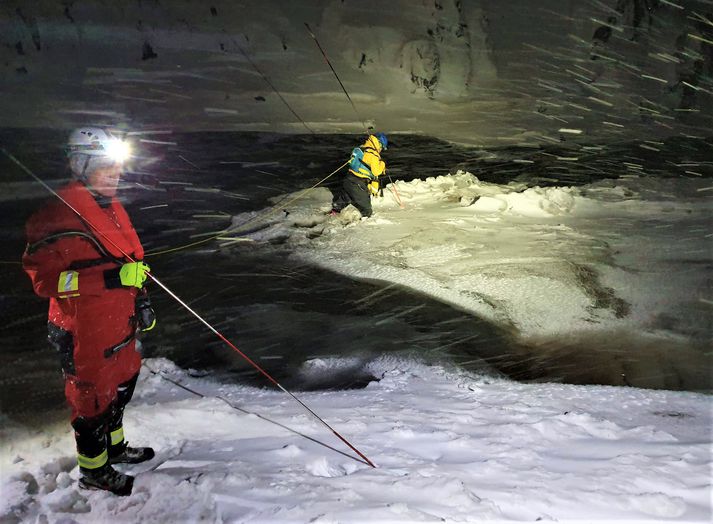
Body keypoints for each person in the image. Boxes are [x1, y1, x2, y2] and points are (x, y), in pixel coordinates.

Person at [22, 127, 156, 496]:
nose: (114, 173)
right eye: (103, 166)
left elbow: (130, 261)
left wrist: (140, 299)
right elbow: (44, 281)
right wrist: (111, 281)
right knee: (91, 400)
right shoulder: (55, 217)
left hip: (119, 323)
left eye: (117, 165)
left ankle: (115, 448)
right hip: (83, 330)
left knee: (122, 384)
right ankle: (94, 472)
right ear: (81, 166)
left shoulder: (111, 207)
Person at [331, 132, 388, 218]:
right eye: (381, 147)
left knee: (347, 197)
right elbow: (376, 172)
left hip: (348, 179)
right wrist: (382, 164)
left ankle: (334, 211)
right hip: (358, 183)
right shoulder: (373, 154)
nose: (380, 149)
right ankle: (360, 226)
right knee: (367, 210)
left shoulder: (360, 148)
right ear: (378, 143)